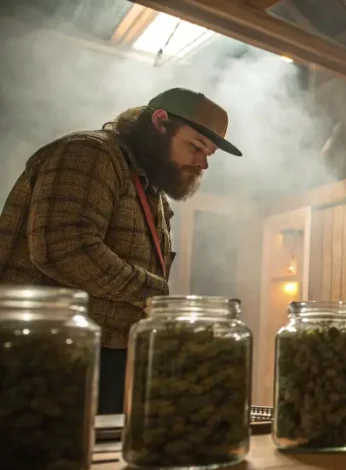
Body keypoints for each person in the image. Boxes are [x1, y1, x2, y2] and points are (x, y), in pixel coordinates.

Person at [0, 87, 241, 414]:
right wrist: (153, 293)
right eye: (195, 146)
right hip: (45, 355)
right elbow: (64, 249)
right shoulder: (89, 152)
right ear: (159, 122)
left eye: (208, 154)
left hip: (101, 354)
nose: (202, 164)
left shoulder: (149, 188)